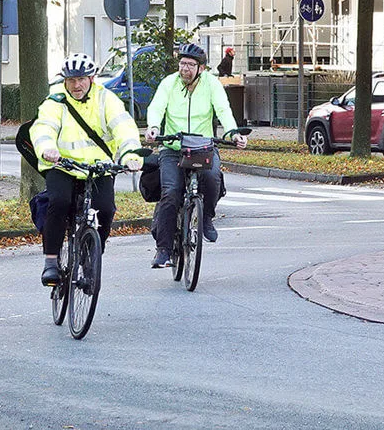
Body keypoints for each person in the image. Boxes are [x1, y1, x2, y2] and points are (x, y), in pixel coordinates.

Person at [31, 52, 143, 285]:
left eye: (81, 79)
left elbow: (124, 128)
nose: (76, 85)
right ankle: (51, 261)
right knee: (58, 202)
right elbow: (43, 127)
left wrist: (130, 154)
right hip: (62, 165)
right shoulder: (56, 100)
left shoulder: (107, 100)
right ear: (64, 81)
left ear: (91, 79)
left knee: (106, 209)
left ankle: (91, 256)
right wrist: (47, 148)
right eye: (71, 80)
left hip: (99, 168)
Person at [145, 42, 247, 268]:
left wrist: (233, 133)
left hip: (203, 147)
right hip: (173, 148)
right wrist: (153, 127)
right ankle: (163, 250)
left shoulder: (212, 84)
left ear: (201, 68)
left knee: (212, 178)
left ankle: (207, 218)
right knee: (170, 193)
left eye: (190, 65)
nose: (185, 69)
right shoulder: (169, 83)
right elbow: (157, 107)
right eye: (182, 64)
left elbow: (223, 110)